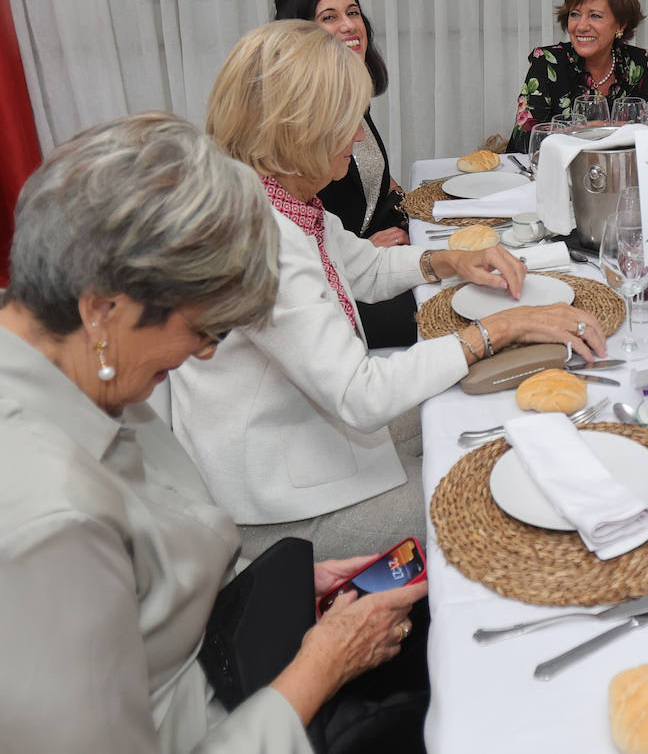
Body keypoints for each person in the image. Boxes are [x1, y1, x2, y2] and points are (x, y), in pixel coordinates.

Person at [0, 112, 428, 753]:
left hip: (230, 651)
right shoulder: (47, 523)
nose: (204, 356)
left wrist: (277, 583)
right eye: (205, 329)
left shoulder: (74, 361)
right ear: (104, 309)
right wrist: (322, 667)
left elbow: (156, 564)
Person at [177, 20, 607, 560]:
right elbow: (361, 395)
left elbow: (366, 269)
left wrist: (452, 258)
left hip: (306, 433)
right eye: (348, 120)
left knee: (476, 408)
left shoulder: (274, 197)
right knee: (496, 505)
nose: (360, 136)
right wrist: (503, 327)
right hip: (280, 502)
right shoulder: (260, 239)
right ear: (299, 130)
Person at [273, 0, 417, 348]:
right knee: (449, 311)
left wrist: (414, 212)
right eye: (329, 17)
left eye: (353, 12)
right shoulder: (300, 123)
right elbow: (304, 237)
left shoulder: (353, 98)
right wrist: (369, 248)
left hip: (374, 258)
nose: (349, 25)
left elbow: (378, 178)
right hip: (343, 289)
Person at [508, 0, 648, 152]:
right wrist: (583, 132)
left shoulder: (639, 63)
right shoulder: (547, 62)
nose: (581, 26)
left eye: (595, 15)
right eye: (575, 14)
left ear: (620, 24)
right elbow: (523, 140)